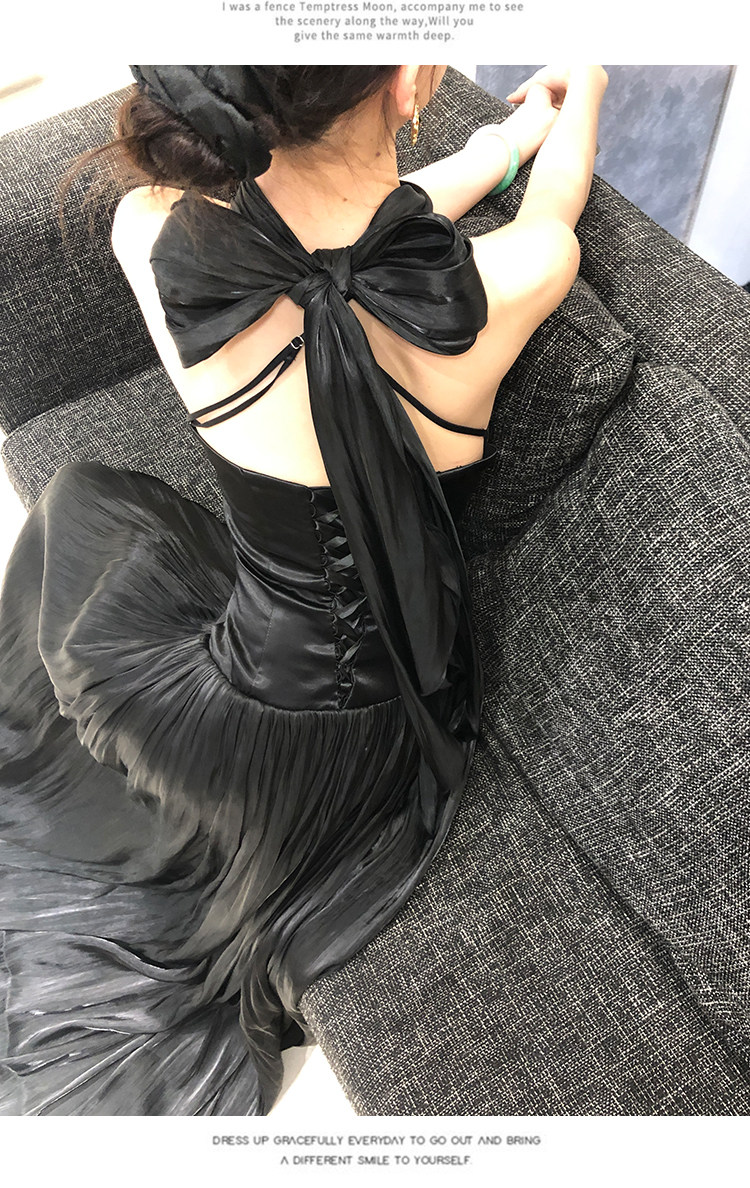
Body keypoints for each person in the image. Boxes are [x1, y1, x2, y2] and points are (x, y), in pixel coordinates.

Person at [0, 64, 608, 1116]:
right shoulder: (514, 280)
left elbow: (346, 248)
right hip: (371, 734)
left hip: (215, 712)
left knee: (88, 508)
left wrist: (488, 153)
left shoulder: (153, 234)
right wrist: (580, 91)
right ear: (411, 84)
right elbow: (532, 214)